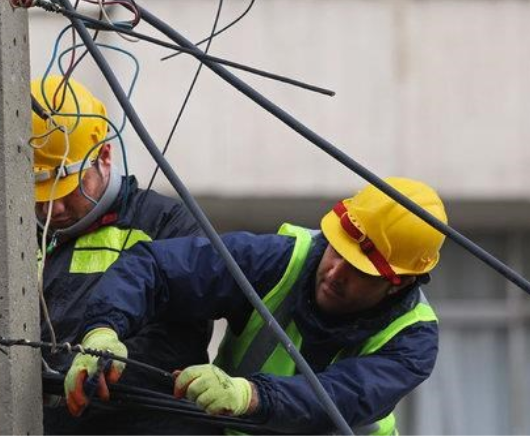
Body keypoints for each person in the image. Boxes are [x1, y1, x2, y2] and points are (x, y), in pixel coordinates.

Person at [0, 75, 215, 436]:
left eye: (66, 187)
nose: (52, 207)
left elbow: (175, 342)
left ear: (104, 155)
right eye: (39, 190)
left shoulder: (165, 226)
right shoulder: (7, 233)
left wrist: (68, 374)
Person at [64, 177, 447, 436]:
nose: (334, 272)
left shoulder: (413, 340)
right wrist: (103, 331)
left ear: (401, 282)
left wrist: (249, 395)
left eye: (359, 270)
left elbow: (338, 398)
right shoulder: (280, 260)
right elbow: (157, 268)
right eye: (336, 249)